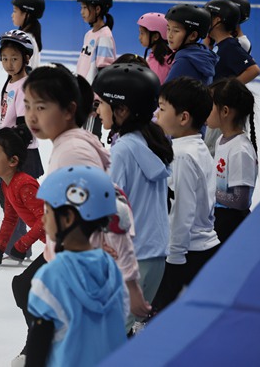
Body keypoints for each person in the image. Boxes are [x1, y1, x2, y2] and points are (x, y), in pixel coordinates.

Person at [12, 64, 145, 365]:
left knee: (35, 296)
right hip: (70, 251)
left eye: (41, 107)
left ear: (69, 110)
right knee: (24, 288)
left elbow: (109, 202)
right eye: (28, 105)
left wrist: (125, 271)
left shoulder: (72, 151)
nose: (31, 115)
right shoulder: (68, 143)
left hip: (73, 254)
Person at [93, 63, 173, 329]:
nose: (97, 109)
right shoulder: (148, 140)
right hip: (155, 256)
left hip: (133, 259)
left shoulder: (123, 151)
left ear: (122, 110)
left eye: (102, 103)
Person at [25, 166, 127, 367]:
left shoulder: (49, 278)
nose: (43, 219)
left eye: (47, 211)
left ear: (68, 219)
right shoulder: (111, 268)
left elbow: (37, 350)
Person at [153, 77, 220, 311]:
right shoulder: (195, 147)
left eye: (161, 109)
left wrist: (174, 258)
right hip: (196, 249)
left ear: (184, 117)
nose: (156, 113)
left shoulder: (182, 156)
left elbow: (182, 211)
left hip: (187, 254)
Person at [0, 126, 45, 327]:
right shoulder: (8, 184)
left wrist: (22, 244)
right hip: (57, 245)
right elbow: (10, 218)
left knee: (24, 286)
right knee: (24, 287)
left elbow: (45, 220)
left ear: (13, 161)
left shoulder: (25, 184)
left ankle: (38, 341)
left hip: (67, 244)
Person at [0, 29, 43, 261]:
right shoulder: (12, 83)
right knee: (8, 199)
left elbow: (24, 129)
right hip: (11, 153)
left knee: (21, 202)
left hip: (22, 155)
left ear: (26, 58)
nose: (8, 63)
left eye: (14, 58)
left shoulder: (24, 86)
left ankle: (21, 247)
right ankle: (17, 247)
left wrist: (10, 154)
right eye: (4, 58)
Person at [206, 78, 258, 244]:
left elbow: (240, 200)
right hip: (219, 217)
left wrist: (207, 190)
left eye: (210, 105)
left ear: (225, 111)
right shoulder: (221, 139)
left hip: (231, 223)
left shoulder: (240, 151)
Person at [75, 0, 116, 139]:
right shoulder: (89, 35)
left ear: (97, 9)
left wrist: (96, 102)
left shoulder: (104, 36)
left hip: (92, 104)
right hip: (83, 99)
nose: (82, 11)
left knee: (90, 140)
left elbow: (104, 72)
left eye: (85, 7)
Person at [205, 0, 260, 84]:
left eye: (207, 17)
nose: (204, 21)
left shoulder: (229, 45)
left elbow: (253, 70)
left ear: (217, 20)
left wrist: (227, 89)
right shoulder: (221, 44)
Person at [163, 4, 216, 85]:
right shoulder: (202, 55)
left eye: (176, 31)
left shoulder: (184, 62)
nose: (170, 35)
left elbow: (165, 95)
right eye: (168, 29)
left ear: (193, 35)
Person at [10, 0, 45, 69]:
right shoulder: (30, 36)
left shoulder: (26, 40)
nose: (12, 15)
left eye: (15, 11)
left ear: (27, 14)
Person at [136, 12, 172, 83]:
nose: (139, 37)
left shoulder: (159, 64)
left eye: (142, 33)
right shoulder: (163, 55)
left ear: (155, 37)